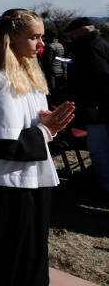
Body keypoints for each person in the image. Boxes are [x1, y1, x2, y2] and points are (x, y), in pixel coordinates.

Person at [0, 9, 75, 286]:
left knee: (29, 259)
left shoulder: (27, 75)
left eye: (42, 37)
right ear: (12, 37)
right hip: (3, 189)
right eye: (34, 37)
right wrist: (45, 130)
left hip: (30, 182)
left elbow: (21, 125)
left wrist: (44, 122)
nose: (41, 44)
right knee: (4, 263)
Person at [65, 17, 109, 191]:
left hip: (98, 108)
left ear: (84, 31)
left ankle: (105, 184)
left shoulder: (90, 48)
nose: (71, 37)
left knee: (100, 148)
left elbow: (98, 78)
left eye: (73, 34)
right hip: (102, 106)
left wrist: (92, 105)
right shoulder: (100, 44)